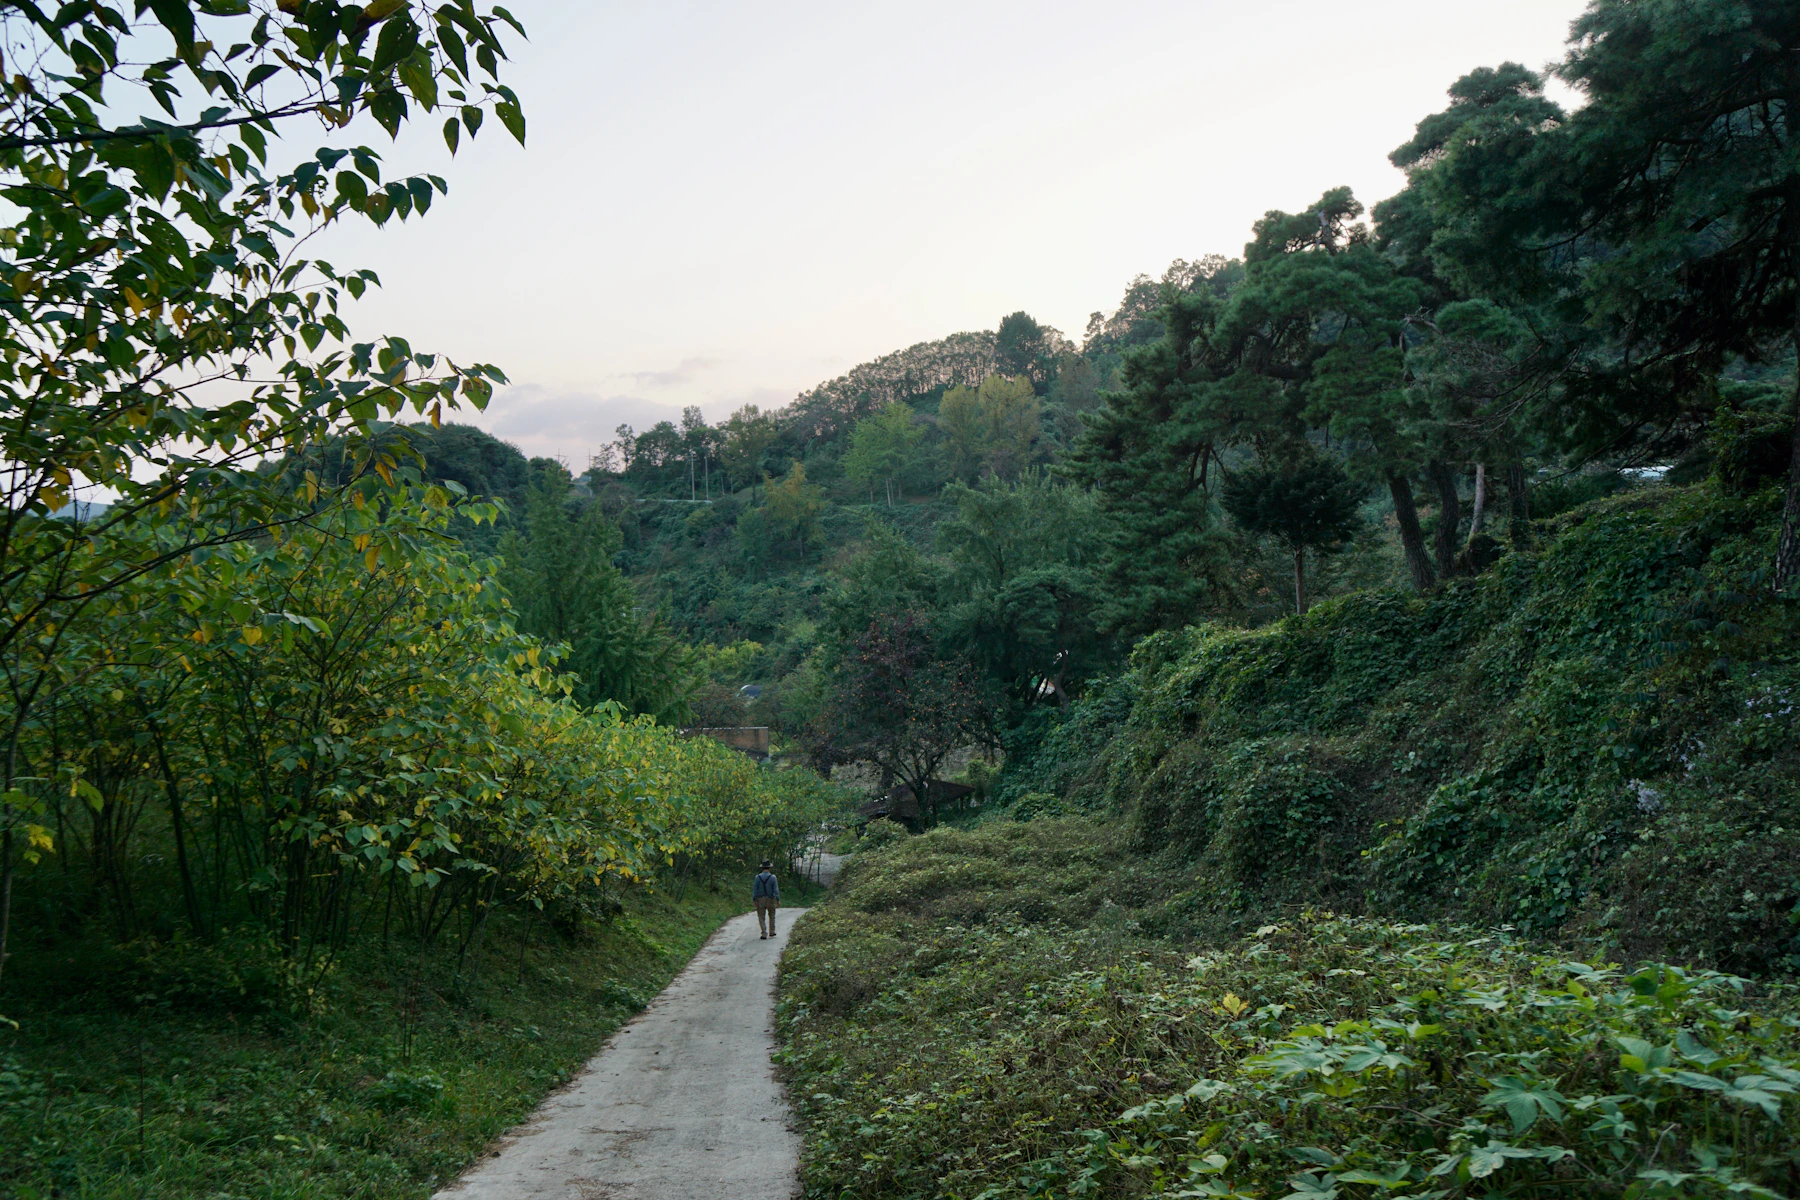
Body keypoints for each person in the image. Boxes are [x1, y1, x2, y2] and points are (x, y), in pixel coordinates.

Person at [753, 861, 780, 940]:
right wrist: (777, 899)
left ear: (762, 868)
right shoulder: (773, 877)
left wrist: (755, 899)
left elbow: (755, 889)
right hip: (770, 899)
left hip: (760, 899)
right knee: (772, 915)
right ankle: (772, 931)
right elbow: (775, 889)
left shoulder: (757, 877)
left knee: (761, 916)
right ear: (769, 868)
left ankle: (764, 933)